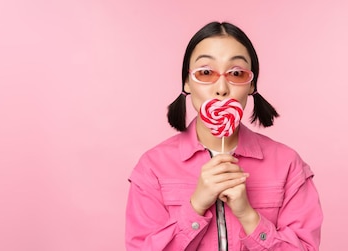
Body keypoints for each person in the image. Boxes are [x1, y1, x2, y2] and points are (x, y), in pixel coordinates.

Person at [125, 21, 322, 250]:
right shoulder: (152, 168)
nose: (221, 88)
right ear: (187, 82)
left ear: (251, 85)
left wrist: (248, 215)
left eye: (236, 73)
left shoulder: (288, 164)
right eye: (206, 72)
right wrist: (196, 205)